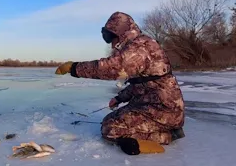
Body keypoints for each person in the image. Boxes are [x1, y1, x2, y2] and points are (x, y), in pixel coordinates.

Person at [55, 11, 185, 152]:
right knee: (111, 119)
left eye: (111, 38)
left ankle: (166, 136)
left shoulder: (140, 47)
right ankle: (165, 131)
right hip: (150, 105)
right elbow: (141, 83)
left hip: (163, 110)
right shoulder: (138, 45)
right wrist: (119, 98)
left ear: (121, 34)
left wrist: (74, 68)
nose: (111, 45)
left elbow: (113, 68)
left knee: (111, 128)